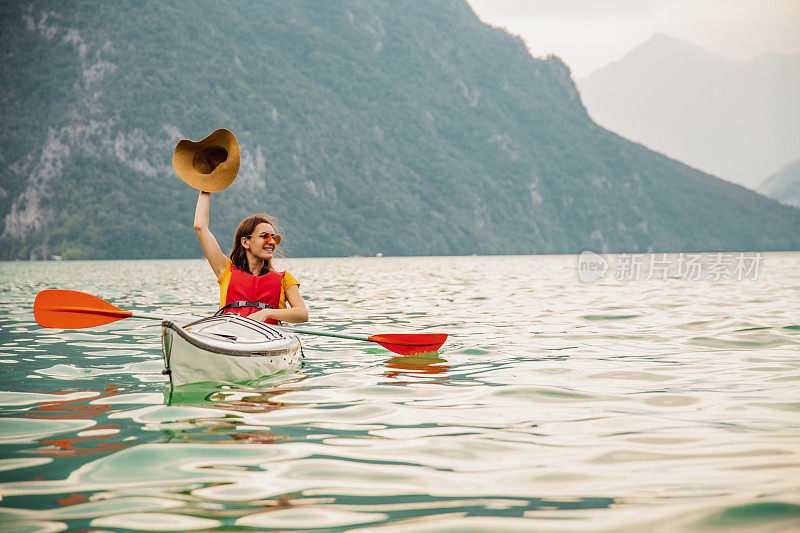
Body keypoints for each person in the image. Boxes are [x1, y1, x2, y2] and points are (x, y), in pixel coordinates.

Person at [193, 191, 308, 325]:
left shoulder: (285, 278)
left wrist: (266, 313)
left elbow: (302, 314)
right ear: (245, 242)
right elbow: (200, 227)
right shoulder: (225, 270)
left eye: (274, 237)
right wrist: (206, 187)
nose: (271, 242)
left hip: (268, 338)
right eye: (264, 236)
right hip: (230, 336)